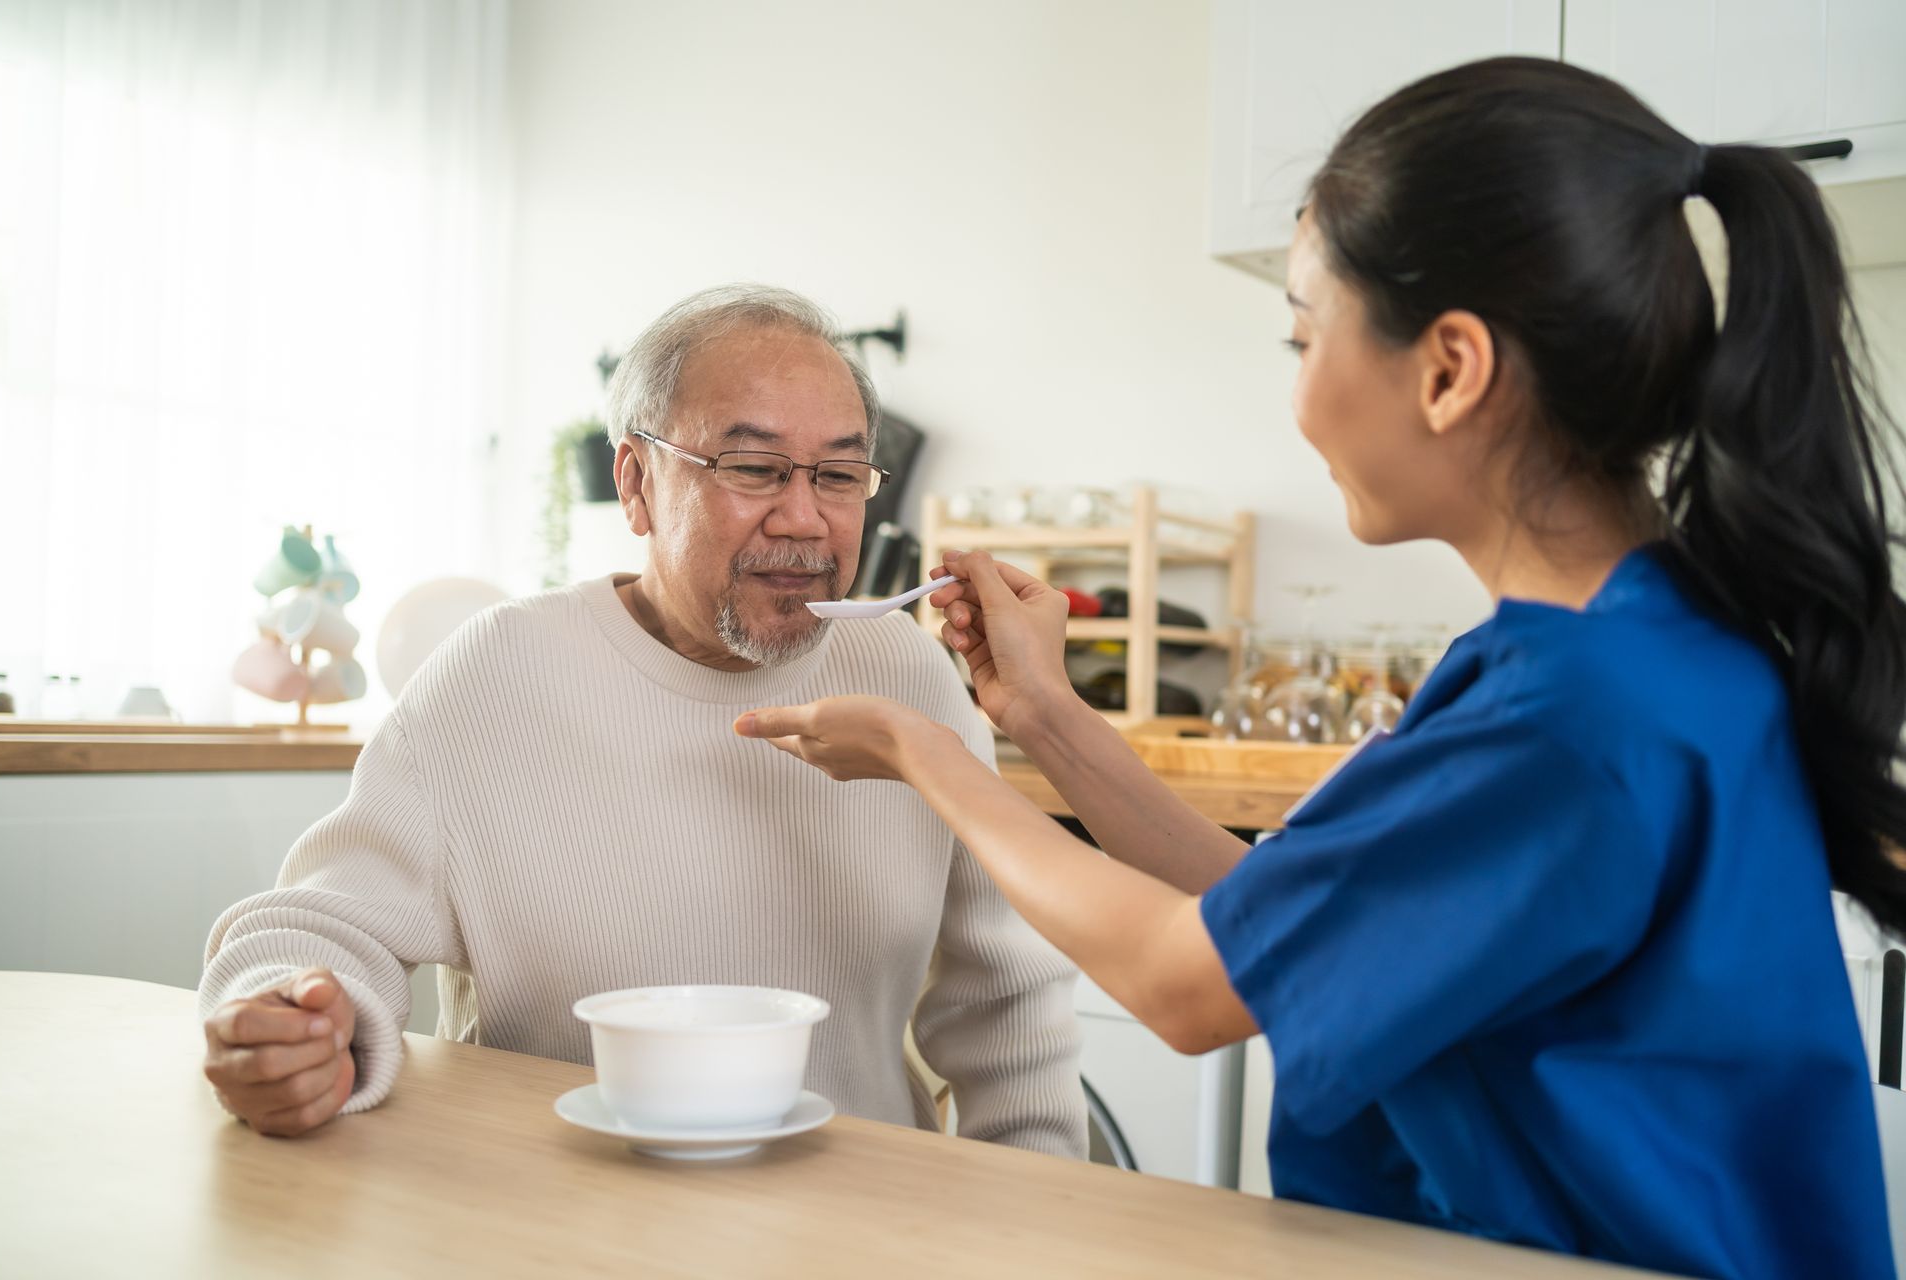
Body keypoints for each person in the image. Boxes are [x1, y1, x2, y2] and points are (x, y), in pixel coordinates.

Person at [734, 58, 1904, 1277]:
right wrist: (1044, 715)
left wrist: (923, 752)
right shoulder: (1640, 645)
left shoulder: (1569, 719)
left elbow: (1189, 984)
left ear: (1450, 370)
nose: (1297, 400)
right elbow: (1266, 920)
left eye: (1304, 336)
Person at [198, 284, 1085, 1159]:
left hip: (858, 1222)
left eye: (840, 475)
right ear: (636, 483)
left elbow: (1009, 1004)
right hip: (553, 1218)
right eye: (752, 467)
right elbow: (319, 925)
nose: (806, 517)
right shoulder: (499, 671)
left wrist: (1046, 1215)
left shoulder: (909, 673)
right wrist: (293, 1018)